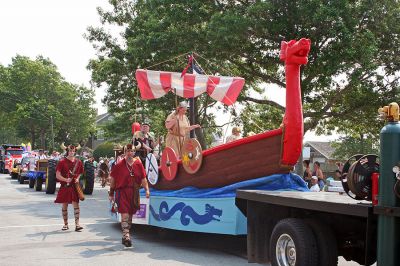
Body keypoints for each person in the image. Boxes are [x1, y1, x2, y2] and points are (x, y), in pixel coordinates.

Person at [108, 143, 150, 247]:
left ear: (134, 152)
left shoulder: (138, 164)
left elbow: (143, 178)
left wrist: (147, 190)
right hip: (122, 192)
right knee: (125, 214)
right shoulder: (118, 165)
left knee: (130, 215)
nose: (129, 153)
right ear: (125, 152)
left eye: (131, 151)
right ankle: (126, 235)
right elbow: (113, 180)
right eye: (127, 151)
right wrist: (111, 193)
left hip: (134, 192)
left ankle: (125, 234)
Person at [54, 144, 84, 231]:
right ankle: (65, 224)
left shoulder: (79, 162)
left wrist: (77, 178)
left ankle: (77, 225)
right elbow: (57, 175)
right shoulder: (62, 162)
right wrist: (65, 180)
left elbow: (80, 173)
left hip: (74, 186)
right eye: (70, 151)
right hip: (65, 186)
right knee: (65, 205)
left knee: (76, 204)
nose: (72, 152)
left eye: (73, 151)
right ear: (67, 151)